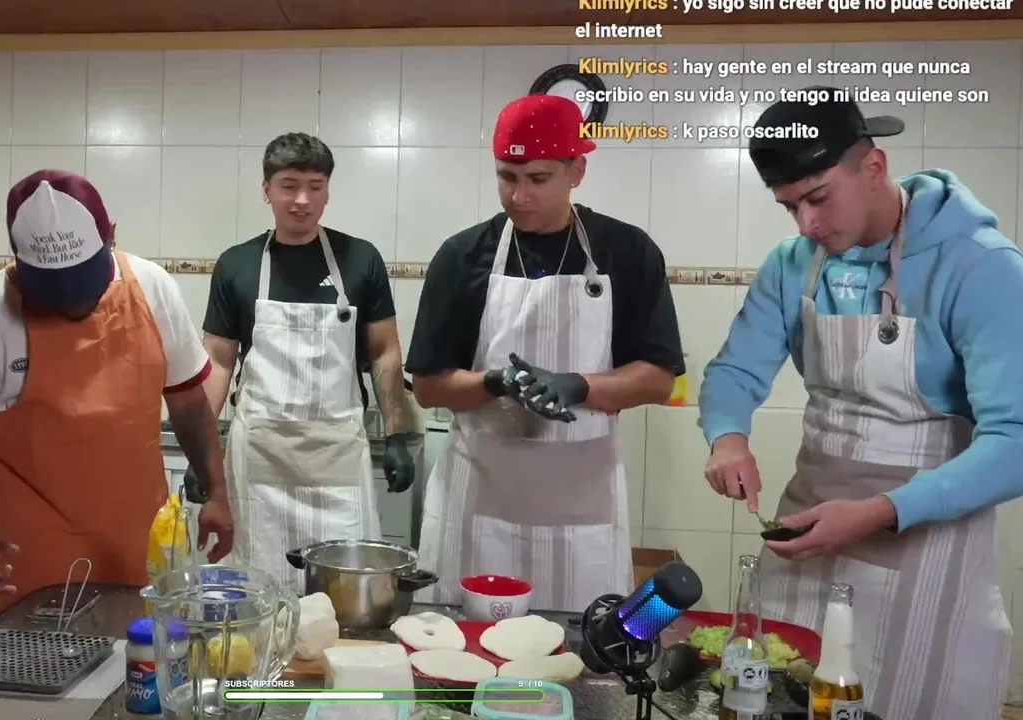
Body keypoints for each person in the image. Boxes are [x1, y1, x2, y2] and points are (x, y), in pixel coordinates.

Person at [699, 89, 1023, 719]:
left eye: (818, 197)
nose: (806, 224)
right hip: (808, 540)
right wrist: (727, 437)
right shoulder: (793, 265)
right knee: (783, 701)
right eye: (789, 206)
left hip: (928, 548)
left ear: (873, 166)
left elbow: (1015, 441)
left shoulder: (981, 268)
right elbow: (734, 371)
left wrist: (881, 511)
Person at [0, 170, 234, 615]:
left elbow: (190, 405)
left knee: (142, 656)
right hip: (31, 565)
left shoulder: (152, 289)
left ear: (111, 236)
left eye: (83, 282)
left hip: (140, 550)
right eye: (52, 290)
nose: (71, 302)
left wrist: (216, 493)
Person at [406, 94, 685, 612]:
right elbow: (428, 386)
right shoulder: (462, 256)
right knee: (461, 645)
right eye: (506, 176)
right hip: (480, 499)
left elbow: (658, 378)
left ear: (576, 170)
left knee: (581, 645)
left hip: (583, 505)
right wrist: (494, 382)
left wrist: (578, 386)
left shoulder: (627, 252)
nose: (519, 195)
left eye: (538, 178)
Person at [193, 133, 415, 589]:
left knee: (343, 589)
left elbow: (384, 352)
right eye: (289, 185)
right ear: (266, 190)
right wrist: (201, 453)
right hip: (260, 461)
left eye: (315, 186)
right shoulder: (237, 264)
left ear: (328, 191)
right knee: (258, 587)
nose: (302, 200)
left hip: (337, 460)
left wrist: (397, 433)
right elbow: (218, 362)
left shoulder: (360, 259)